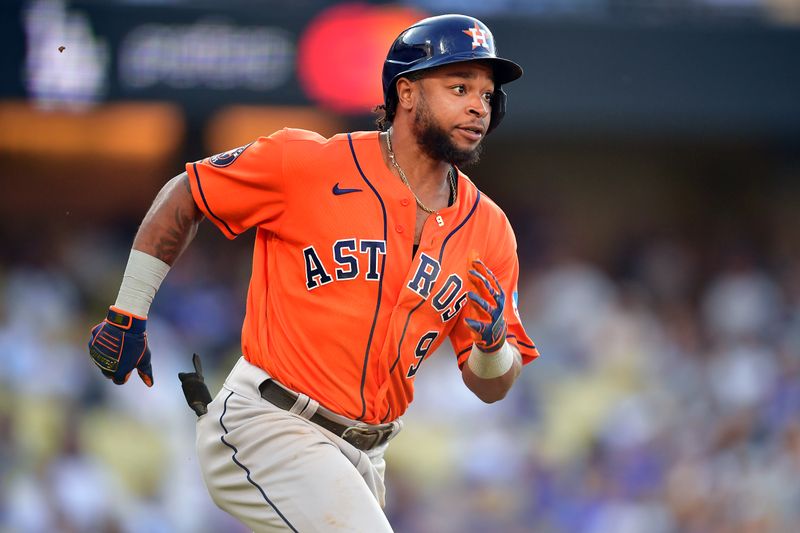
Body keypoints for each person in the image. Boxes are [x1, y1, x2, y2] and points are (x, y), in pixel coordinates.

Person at [88, 13, 539, 532]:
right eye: (459, 87)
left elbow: (493, 385)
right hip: (269, 423)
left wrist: (491, 347)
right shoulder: (308, 162)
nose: (478, 106)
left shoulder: (490, 230)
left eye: (487, 94)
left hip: (366, 457)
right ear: (407, 92)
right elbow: (188, 194)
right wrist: (129, 310)